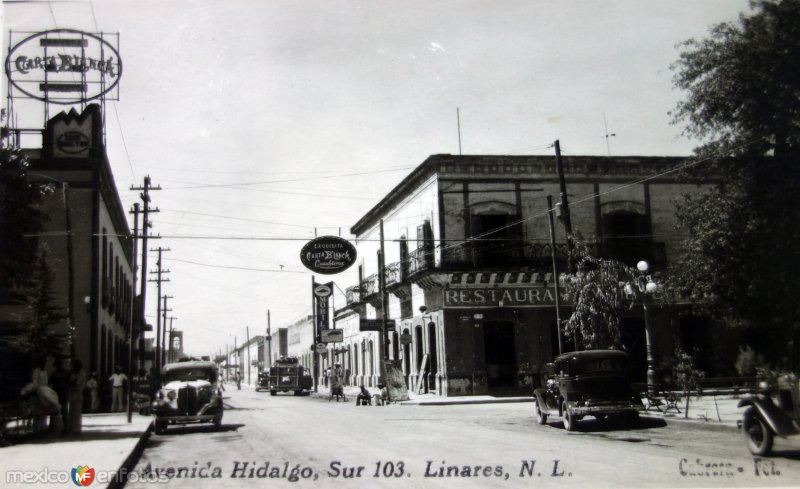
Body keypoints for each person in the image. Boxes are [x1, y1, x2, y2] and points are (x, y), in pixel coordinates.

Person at [49, 359, 70, 433]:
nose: (58, 366)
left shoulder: (66, 373)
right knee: (55, 411)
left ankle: (66, 428)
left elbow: (69, 381)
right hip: (56, 393)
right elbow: (49, 382)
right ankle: (54, 427)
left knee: (64, 412)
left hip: (64, 393)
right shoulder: (54, 373)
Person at [30, 356, 49, 431]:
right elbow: (35, 382)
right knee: (38, 411)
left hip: (45, 392)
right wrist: (39, 390)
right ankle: (37, 428)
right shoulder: (36, 371)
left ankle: (43, 427)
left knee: (44, 411)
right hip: (39, 392)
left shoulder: (45, 371)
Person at [68, 359, 86, 434]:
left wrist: (71, 383)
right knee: (71, 411)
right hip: (72, 393)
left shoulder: (81, 374)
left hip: (78, 393)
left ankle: (77, 428)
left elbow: (76, 383)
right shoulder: (73, 373)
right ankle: (71, 427)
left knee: (77, 411)